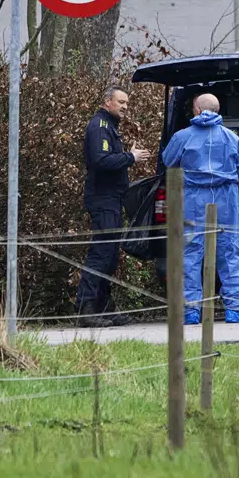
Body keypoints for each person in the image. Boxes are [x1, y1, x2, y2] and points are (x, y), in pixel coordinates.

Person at [162, 93, 239, 324]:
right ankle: (236, 309)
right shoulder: (232, 138)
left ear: (197, 110)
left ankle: (191, 311)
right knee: (230, 252)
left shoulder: (182, 137)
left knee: (191, 254)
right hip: (226, 199)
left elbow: (168, 160)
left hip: (193, 199)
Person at [78, 86, 151, 327]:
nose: (125, 107)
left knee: (110, 256)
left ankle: (104, 307)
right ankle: (86, 308)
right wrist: (131, 158)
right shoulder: (99, 127)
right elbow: (101, 161)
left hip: (112, 199)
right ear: (108, 101)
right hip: (103, 199)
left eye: (127, 103)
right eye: (121, 102)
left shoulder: (109, 126)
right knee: (101, 253)